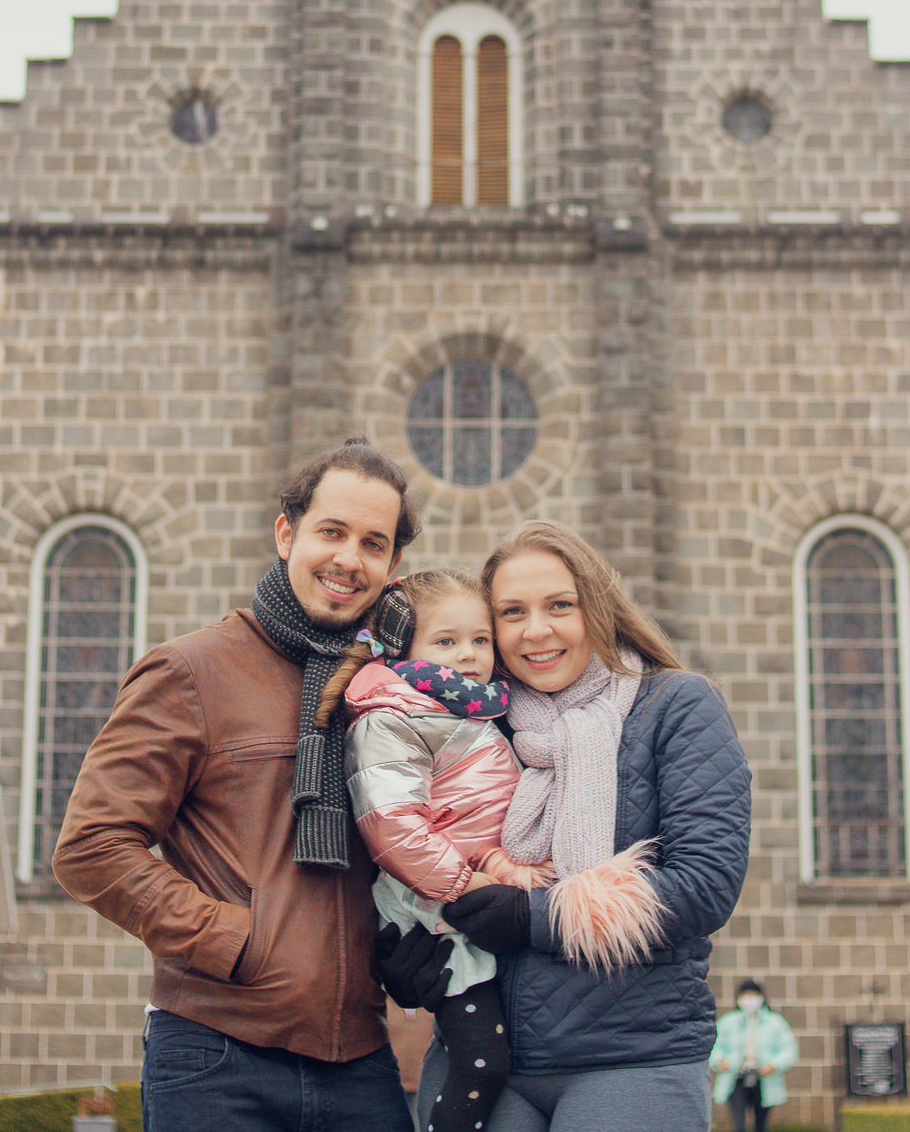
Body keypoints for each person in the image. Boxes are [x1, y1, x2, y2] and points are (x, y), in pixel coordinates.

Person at [52, 434, 422, 1132]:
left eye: (373, 543)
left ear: (393, 563)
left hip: (362, 1060)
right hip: (216, 1057)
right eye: (332, 532)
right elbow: (92, 846)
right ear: (287, 534)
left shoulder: (392, 688)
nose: (349, 559)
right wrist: (232, 940)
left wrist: (401, 953)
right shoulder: (190, 672)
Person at [389, 520, 751, 1132]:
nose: (537, 630)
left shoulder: (674, 706)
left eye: (561, 605)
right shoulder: (478, 723)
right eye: (512, 612)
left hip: (630, 1061)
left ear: (599, 607)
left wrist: (535, 916)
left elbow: (704, 884)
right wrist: (406, 949)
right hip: (484, 1059)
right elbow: (414, 839)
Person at [322, 568, 554, 1132]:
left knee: (496, 1059)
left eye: (479, 640)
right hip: (435, 912)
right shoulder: (393, 715)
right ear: (405, 648)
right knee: (482, 1065)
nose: (469, 655)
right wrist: (469, 887)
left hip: (472, 895)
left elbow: (475, 820)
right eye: (446, 642)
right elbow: (394, 826)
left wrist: (508, 870)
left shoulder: (473, 709)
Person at [710, 979, 799, 1132]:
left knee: (760, 1125)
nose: (750, 1000)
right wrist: (719, 1061)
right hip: (736, 1076)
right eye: (746, 995)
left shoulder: (775, 1022)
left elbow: (788, 1049)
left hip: (763, 1078)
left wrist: (774, 1065)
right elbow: (714, 1046)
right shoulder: (728, 1022)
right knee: (739, 1125)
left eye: (753, 995)